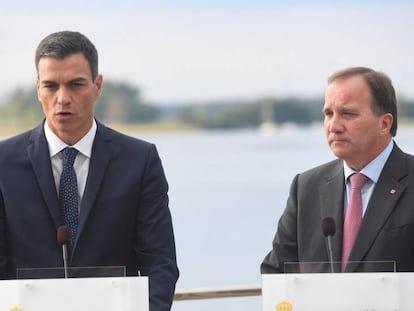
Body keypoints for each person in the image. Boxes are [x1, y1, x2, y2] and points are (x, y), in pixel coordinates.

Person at [0, 30, 179, 310]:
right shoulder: (3, 163)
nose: (63, 98)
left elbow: (160, 264)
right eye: (50, 86)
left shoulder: (140, 160)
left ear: (97, 85)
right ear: (37, 88)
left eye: (75, 85)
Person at [261, 66, 414, 274]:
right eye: (328, 113)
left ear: (384, 124)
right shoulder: (305, 187)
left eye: (347, 114)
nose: (333, 126)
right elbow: (275, 272)